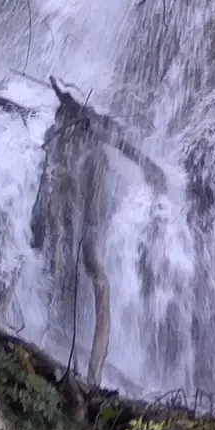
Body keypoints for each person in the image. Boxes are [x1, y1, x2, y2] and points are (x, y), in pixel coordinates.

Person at [29, 79, 166, 386]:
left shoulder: (92, 148)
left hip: (87, 214)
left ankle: (89, 372)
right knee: (66, 251)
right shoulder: (62, 138)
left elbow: (118, 145)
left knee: (90, 266)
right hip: (73, 207)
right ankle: (50, 337)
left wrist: (149, 168)